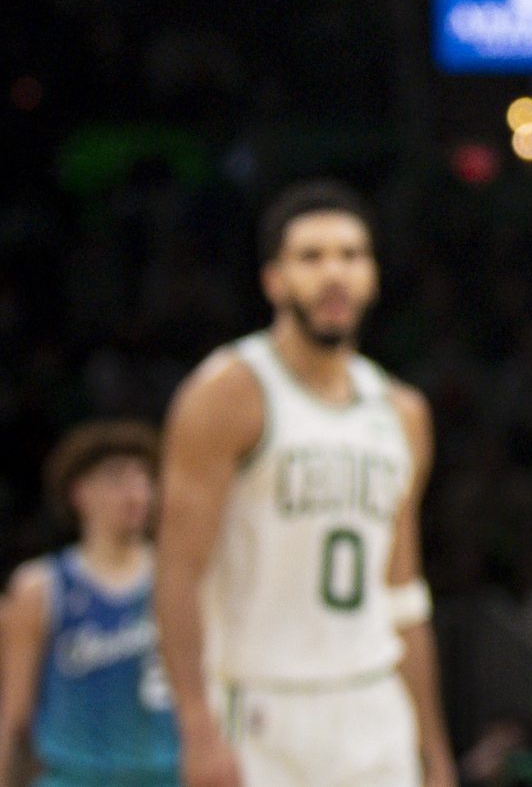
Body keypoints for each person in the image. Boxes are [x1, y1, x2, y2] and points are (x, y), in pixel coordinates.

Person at [155, 182, 454, 787]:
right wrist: (195, 725)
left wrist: (433, 746)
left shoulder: (402, 412)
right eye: (311, 257)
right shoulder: (229, 393)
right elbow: (177, 573)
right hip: (263, 705)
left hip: (373, 701)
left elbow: (403, 593)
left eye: (351, 255)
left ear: (372, 275)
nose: (334, 274)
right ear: (274, 279)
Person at [0, 422, 179, 787]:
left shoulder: (178, 579)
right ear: (79, 492)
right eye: (118, 479)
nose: (136, 492)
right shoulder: (41, 587)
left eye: (144, 478)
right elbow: (14, 715)